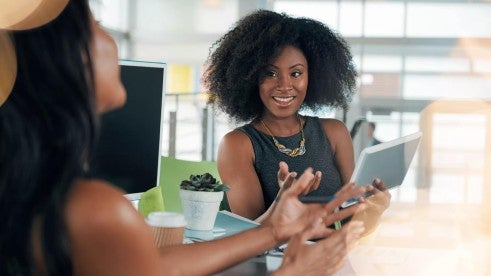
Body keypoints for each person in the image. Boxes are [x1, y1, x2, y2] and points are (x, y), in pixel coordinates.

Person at [0, 1, 368, 275]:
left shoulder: (34, 194)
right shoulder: (92, 210)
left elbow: (157, 267)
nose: (109, 37)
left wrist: (274, 230)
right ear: (64, 56)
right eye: (95, 24)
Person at [204, 10, 391, 231]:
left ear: (313, 76)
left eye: (296, 73)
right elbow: (245, 236)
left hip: (330, 257)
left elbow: (352, 228)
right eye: (271, 73)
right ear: (251, 76)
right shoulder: (238, 144)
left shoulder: (334, 133)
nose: (284, 85)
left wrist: (375, 210)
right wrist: (280, 204)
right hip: (275, 264)